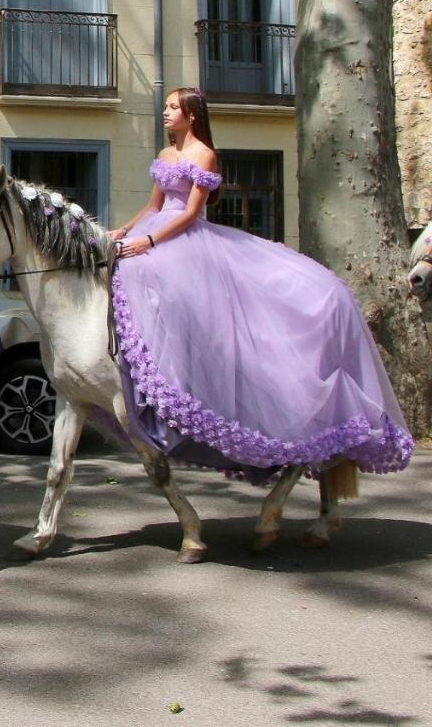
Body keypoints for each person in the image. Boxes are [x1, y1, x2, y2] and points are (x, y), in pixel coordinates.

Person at [107, 87, 411, 482]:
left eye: (172, 108)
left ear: (192, 115)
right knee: (126, 275)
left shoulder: (204, 155)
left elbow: (190, 214)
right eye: (165, 107)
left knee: (159, 280)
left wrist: (149, 240)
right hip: (156, 228)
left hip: (185, 239)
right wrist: (125, 230)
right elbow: (154, 207)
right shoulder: (166, 155)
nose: (165, 113)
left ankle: (187, 381)